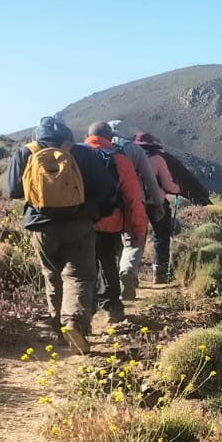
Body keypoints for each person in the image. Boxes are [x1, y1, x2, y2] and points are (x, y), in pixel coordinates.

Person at [2, 116, 118, 354]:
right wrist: (96, 210)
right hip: (79, 222)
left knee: (52, 275)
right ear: (67, 135)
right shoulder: (83, 153)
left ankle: (58, 329)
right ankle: (74, 323)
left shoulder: (26, 153)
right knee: (79, 276)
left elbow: (11, 190)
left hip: (41, 225)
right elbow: (107, 188)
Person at [82, 123, 148, 324]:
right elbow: (133, 198)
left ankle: (84, 310)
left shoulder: (76, 155)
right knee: (107, 263)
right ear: (110, 138)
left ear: (88, 136)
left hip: (81, 222)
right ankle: (112, 308)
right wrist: (138, 228)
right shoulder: (120, 159)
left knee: (83, 267)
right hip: (111, 222)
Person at [106, 120, 165, 300]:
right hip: (133, 200)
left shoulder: (93, 149)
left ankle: (113, 281)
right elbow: (149, 179)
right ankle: (128, 270)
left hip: (106, 203)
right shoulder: (134, 150)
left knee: (112, 241)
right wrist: (158, 202)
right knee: (134, 241)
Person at [132, 132, 182, 284]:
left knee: (135, 239)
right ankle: (159, 273)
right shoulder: (158, 159)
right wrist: (177, 189)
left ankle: (131, 272)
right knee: (161, 236)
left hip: (135, 203)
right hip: (156, 203)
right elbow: (167, 184)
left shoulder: (130, 159)